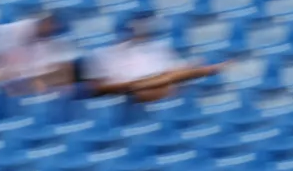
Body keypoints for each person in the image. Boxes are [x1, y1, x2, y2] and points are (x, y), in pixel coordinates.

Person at [89, 13, 225, 103]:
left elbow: (172, 72)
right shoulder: (103, 54)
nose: (141, 32)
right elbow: (101, 87)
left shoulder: (158, 47)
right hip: (130, 95)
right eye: (135, 29)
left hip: (160, 87)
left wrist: (190, 67)